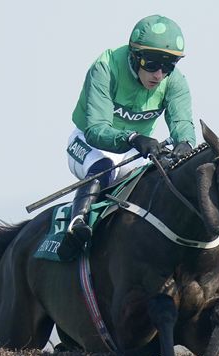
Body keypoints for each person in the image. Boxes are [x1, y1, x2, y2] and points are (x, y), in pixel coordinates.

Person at [58, 15, 197, 259]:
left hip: (134, 150)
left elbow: (182, 123)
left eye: (168, 66)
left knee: (162, 177)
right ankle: (77, 225)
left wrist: (185, 144)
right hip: (88, 144)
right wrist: (133, 137)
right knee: (104, 166)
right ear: (135, 56)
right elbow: (96, 130)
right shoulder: (106, 66)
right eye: (152, 64)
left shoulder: (174, 82)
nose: (159, 75)